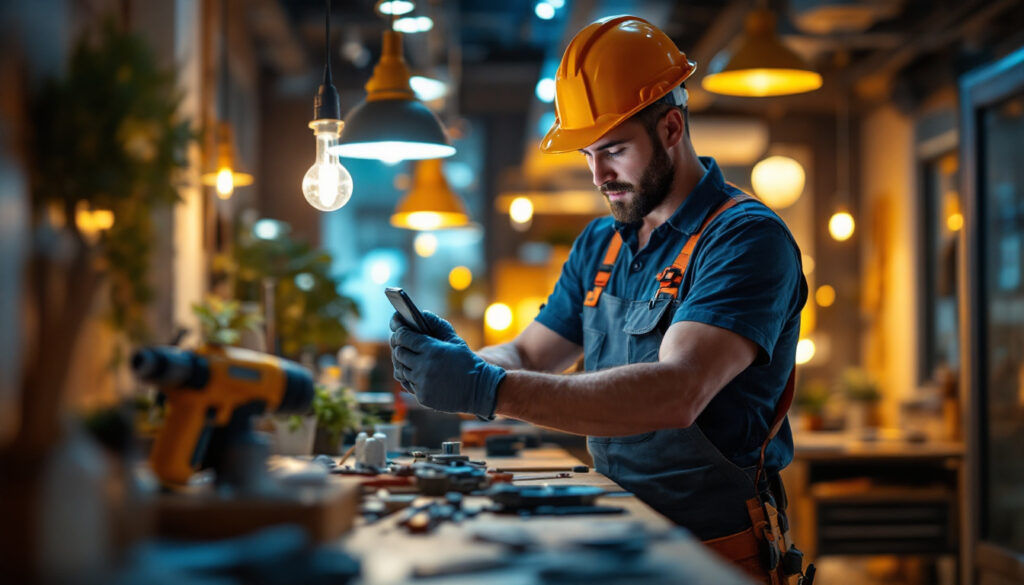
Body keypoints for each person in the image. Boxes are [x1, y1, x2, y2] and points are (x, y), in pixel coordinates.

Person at [389, 15, 809, 584]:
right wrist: (461, 363)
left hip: (713, 551)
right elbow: (533, 356)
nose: (598, 176)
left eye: (613, 150)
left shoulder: (744, 239)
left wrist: (488, 390)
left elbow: (680, 389)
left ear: (670, 129)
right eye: (587, 155)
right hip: (617, 526)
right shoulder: (602, 243)